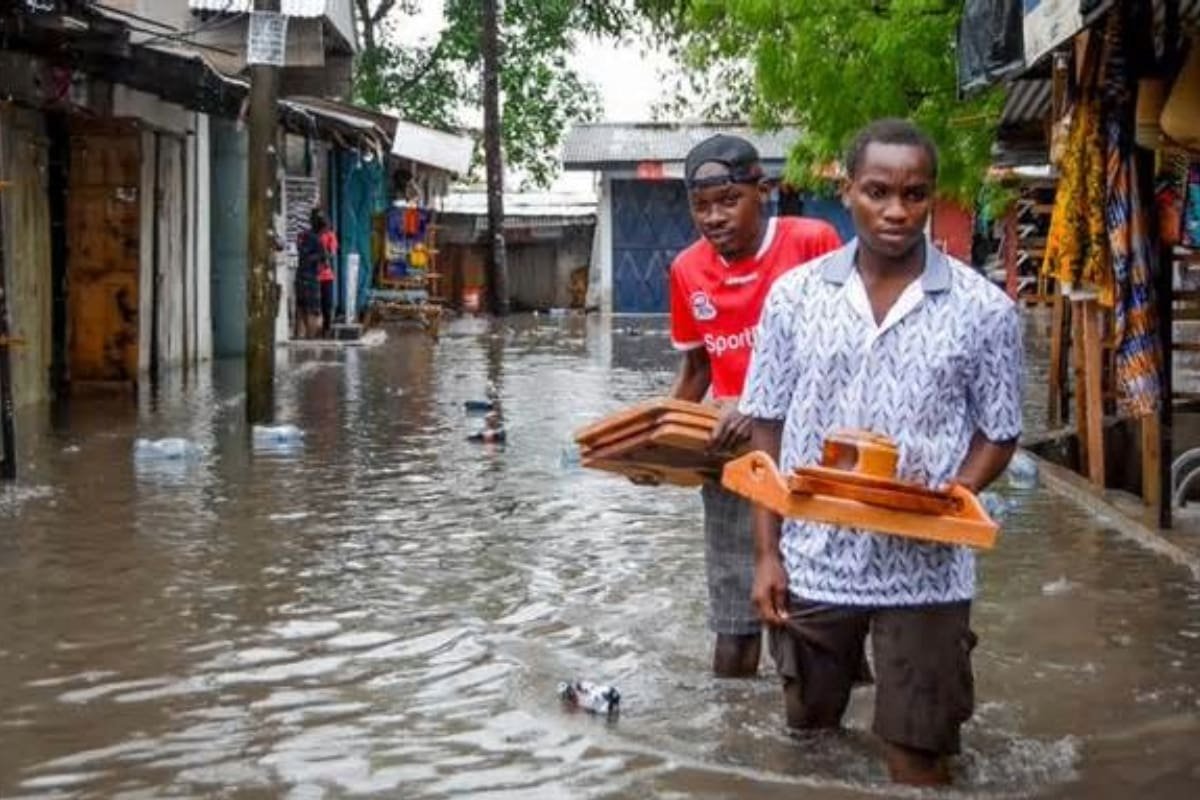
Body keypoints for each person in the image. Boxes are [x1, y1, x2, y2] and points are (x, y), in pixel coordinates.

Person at [738, 119, 1023, 785]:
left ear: (930, 197)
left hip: (926, 568)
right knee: (809, 737)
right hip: (815, 559)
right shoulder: (796, 297)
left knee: (920, 754)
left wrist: (954, 499)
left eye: (915, 195)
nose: (897, 211)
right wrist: (766, 552)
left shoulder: (984, 309)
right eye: (878, 191)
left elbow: (1000, 429)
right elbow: (766, 427)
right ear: (848, 192)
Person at [664, 134, 842, 678]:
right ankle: (731, 740)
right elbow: (697, 370)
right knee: (734, 621)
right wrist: (656, 443)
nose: (713, 217)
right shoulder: (686, 270)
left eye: (727, 201)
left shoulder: (813, 242)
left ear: (761, 192)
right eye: (701, 206)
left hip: (810, 456)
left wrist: (761, 401)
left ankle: (808, 728)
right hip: (734, 460)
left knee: (810, 614)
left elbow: (846, 350)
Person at [297, 208, 337, 339]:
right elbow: (303, 254)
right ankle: (310, 334)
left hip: (325, 276)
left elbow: (331, 254)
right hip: (311, 277)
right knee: (311, 306)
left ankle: (325, 330)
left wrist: (324, 256)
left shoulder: (329, 235)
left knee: (326, 305)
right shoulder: (306, 236)